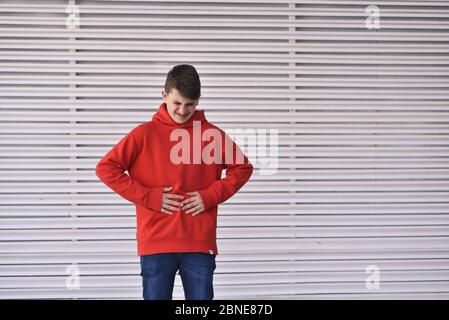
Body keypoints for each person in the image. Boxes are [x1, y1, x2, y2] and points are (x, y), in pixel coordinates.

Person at [95, 64, 254, 300]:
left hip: (198, 243)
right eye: (176, 103)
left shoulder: (210, 135)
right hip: (156, 242)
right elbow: (106, 168)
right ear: (164, 95)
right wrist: (150, 197)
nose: (182, 110)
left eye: (190, 104)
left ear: (198, 101)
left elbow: (242, 168)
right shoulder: (143, 134)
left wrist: (209, 196)